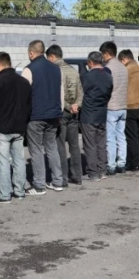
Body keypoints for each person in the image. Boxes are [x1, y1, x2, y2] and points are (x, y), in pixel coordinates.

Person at [0, 52, 32, 201]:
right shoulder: (24, 82)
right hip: (19, 127)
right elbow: (29, 106)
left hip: (1, 128)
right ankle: (20, 191)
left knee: (3, 162)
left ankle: (5, 194)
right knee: (19, 160)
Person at [22, 40, 64, 193]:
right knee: (52, 148)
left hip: (36, 116)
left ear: (31, 53)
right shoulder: (56, 69)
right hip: (54, 115)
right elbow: (61, 93)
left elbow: (23, 96)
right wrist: (59, 112)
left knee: (36, 150)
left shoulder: (29, 69)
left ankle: (39, 185)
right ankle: (58, 181)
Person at [46, 45, 83, 186]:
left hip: (61, 112)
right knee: (74, 146)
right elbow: (80, 92)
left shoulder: (55, 71)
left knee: (60, 145)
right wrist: (76, 105)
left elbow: (57, 95)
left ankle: (63, 178)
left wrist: (68, 106)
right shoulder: (73, 70)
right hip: (74, 112)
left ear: (52, 56)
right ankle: (77, 176)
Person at [80, 52, 113, 181]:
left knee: (90, 144)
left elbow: (81, 93)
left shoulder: (87, 77)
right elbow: (109, 94)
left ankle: (93, 172)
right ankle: (102, 170)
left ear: (91, 62)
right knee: (101, 143)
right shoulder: (108, 76)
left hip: (89, 114)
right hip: (102, 112)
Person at [99, 41, 128, 174]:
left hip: (111, 106)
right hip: (123, 105)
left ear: (106, 54)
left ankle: (111, 165)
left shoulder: (108, 68)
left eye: (102, 55)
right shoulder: (123, 67)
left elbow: (106, 88)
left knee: (110, 137)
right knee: (121, 136)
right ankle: (122, 163)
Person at [118, 49, 139, 171]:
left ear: (124, 59)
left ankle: (134, 163)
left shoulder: (127, 70)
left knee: (132, 136)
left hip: (130, 105)